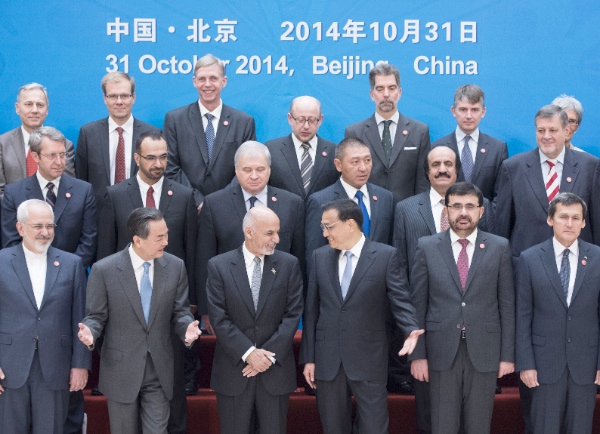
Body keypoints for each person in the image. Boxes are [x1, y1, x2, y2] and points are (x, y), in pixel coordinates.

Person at [494, 104, 600, 433]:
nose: (546, 136)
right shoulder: (513, 166)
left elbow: (595, 221)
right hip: (528, 279)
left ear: (567, 130)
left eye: (553, 130)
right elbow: (502, 227)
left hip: (578, 281)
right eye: (540, 130)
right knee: (537, 403)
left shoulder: (590, 166)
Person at [95, 130, 197, 433]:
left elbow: (190, 251)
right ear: (136, 158)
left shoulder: (183, 195)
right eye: (151, 157)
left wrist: (192, 309)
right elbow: (105, 252)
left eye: (164, 156)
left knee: (168, 396)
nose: (158, 163)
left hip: (168, 310)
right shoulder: (115, 195)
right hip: (125, 312)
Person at [393, 145, 494, 433]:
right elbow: (398, 268)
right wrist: (410, 325)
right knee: (433, 416)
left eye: (448, 163)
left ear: (457, 168)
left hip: (474, 334)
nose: (442, 169)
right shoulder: (406, 209)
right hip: (427, 324)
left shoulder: (480, 209)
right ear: (426, 171)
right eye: (436, 164)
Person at [300, 199, 424, 433]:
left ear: (349, 225)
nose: (325, 233)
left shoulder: (385, 256)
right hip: (328, 359)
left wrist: (410, 328)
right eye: (323, 228)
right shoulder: (319, 257)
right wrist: (309, 357)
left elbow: (400, 299)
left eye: (329, 226)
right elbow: (312, 310)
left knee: (374, 427)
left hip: (369, 357)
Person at [78, 207, 201, 434]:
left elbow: (180, 312)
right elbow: (96, 316)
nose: (166, 241)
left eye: (166, 234)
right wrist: (90, 333)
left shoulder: (175, 267)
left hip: (159, 369)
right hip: (121, 369)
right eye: (159, 237)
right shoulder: (104, 270)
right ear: (138, 240)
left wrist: (187, 329)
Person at [409, 182, 515, 434]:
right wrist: (418, 355)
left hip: (485, 351)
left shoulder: (499, 247)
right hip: (440, 350)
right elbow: (418, 304)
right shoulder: (426, 246)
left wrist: (507, 356)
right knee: (443, 425)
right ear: (446, 211)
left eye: (470, 206)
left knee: (478, 426)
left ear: (481, 211)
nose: (463, 212)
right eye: (456, 206)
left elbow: (507, 304)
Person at [206, 206, 303, 434]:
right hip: (234, 372)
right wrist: (249, 353)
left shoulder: (289, 265)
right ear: (249, 232)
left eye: (278, 232)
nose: (277, 239)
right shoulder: (219, 266)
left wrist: (265, 357)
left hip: (275, 371)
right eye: (269, 233)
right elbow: (219, 318)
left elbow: (293, 314)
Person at [196, 141, 304, 335]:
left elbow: (299, 259)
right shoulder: (214, 204)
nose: (254, 176)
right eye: (247, 169)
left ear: (269, 170)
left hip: (278, 310)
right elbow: (204, 259)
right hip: (229, 309)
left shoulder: (292, 204)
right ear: (236, 170)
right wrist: (206, 310)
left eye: (260, 169)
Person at [0, 199, 89, 434]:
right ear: (20, 228)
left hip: (55, 367)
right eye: (37, 226)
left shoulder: (72, 264)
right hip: (9, 366)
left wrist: (80, 364)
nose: (45, 232)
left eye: (50, 226)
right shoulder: (0, 262)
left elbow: (80, 318)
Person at [516, 193, 600, 434]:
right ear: (550, 219)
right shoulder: (529, 259)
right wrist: (526, 363)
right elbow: (522, 316)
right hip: (543, 366)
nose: (569, 223)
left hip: (585, 366)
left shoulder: (597, 258)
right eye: (563, 216)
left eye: (576, 218)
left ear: (584, 222)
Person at [163, 54, 256, 208]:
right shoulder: (175, 120)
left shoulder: (243, 123)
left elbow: (247, 167)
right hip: (186, 206)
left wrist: (220, 201)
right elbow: (170, 166)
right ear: (194, 82)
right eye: (202, 79)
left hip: (229, 207)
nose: (207, 84)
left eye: (213, 78)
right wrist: (197, 200)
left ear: (223, 81)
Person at [2, 127, 97, 268]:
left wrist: (67, 271)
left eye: (62, 155)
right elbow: (11, 242)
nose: (59, 162)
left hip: (71, 277)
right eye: (52, 155)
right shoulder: (15, 193)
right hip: (29, 276)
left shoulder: (83, 191)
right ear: (35, 157)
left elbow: (88, 241)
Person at [344, 63, 430, 204]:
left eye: (391, 88)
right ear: (372, 94)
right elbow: (350, 180)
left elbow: (423, 182)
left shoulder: (419, 131)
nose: (386, 94)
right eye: (380, 89)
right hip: (368, 213)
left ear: (399, 93)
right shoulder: (355, 132)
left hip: (408, 214)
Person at [305, 137, 394, 271]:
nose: (363, 168)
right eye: (355, 162)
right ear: (338, 165)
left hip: (379, 280)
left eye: (367, 160)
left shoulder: (385, 197)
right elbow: (314, 255)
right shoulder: (321, 201)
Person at [75, 72, 160, 211]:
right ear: (105, 98)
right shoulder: (88, 134)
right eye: (113, 96)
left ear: (133, 97)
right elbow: (81, 181)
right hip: (99, 216)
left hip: (140, 215)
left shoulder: (150, 134)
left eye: (125, 96)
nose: (119, 101)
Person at [0, 83, 75, 203]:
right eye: (28, 104)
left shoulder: (64, 145)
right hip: (14, 216)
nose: (34, 110)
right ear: (17, 108)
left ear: (47, 109)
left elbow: (68, 189)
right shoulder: (2, 144)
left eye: (40, 105)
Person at [432, 84, 508, 200]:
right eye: (463, 109)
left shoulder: (497, 149)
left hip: (486, 216)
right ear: (453, 111)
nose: (468, 116)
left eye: (474, 110)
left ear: (483, 112)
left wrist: (484, 217)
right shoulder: (437, 147)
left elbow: (501, 196)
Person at [265, 96, 338, 200]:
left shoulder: (333, 151)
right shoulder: (271, 150)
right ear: (290, 118)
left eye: (312, 120)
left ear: (320, 120)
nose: (306, 126)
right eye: (301, 119)